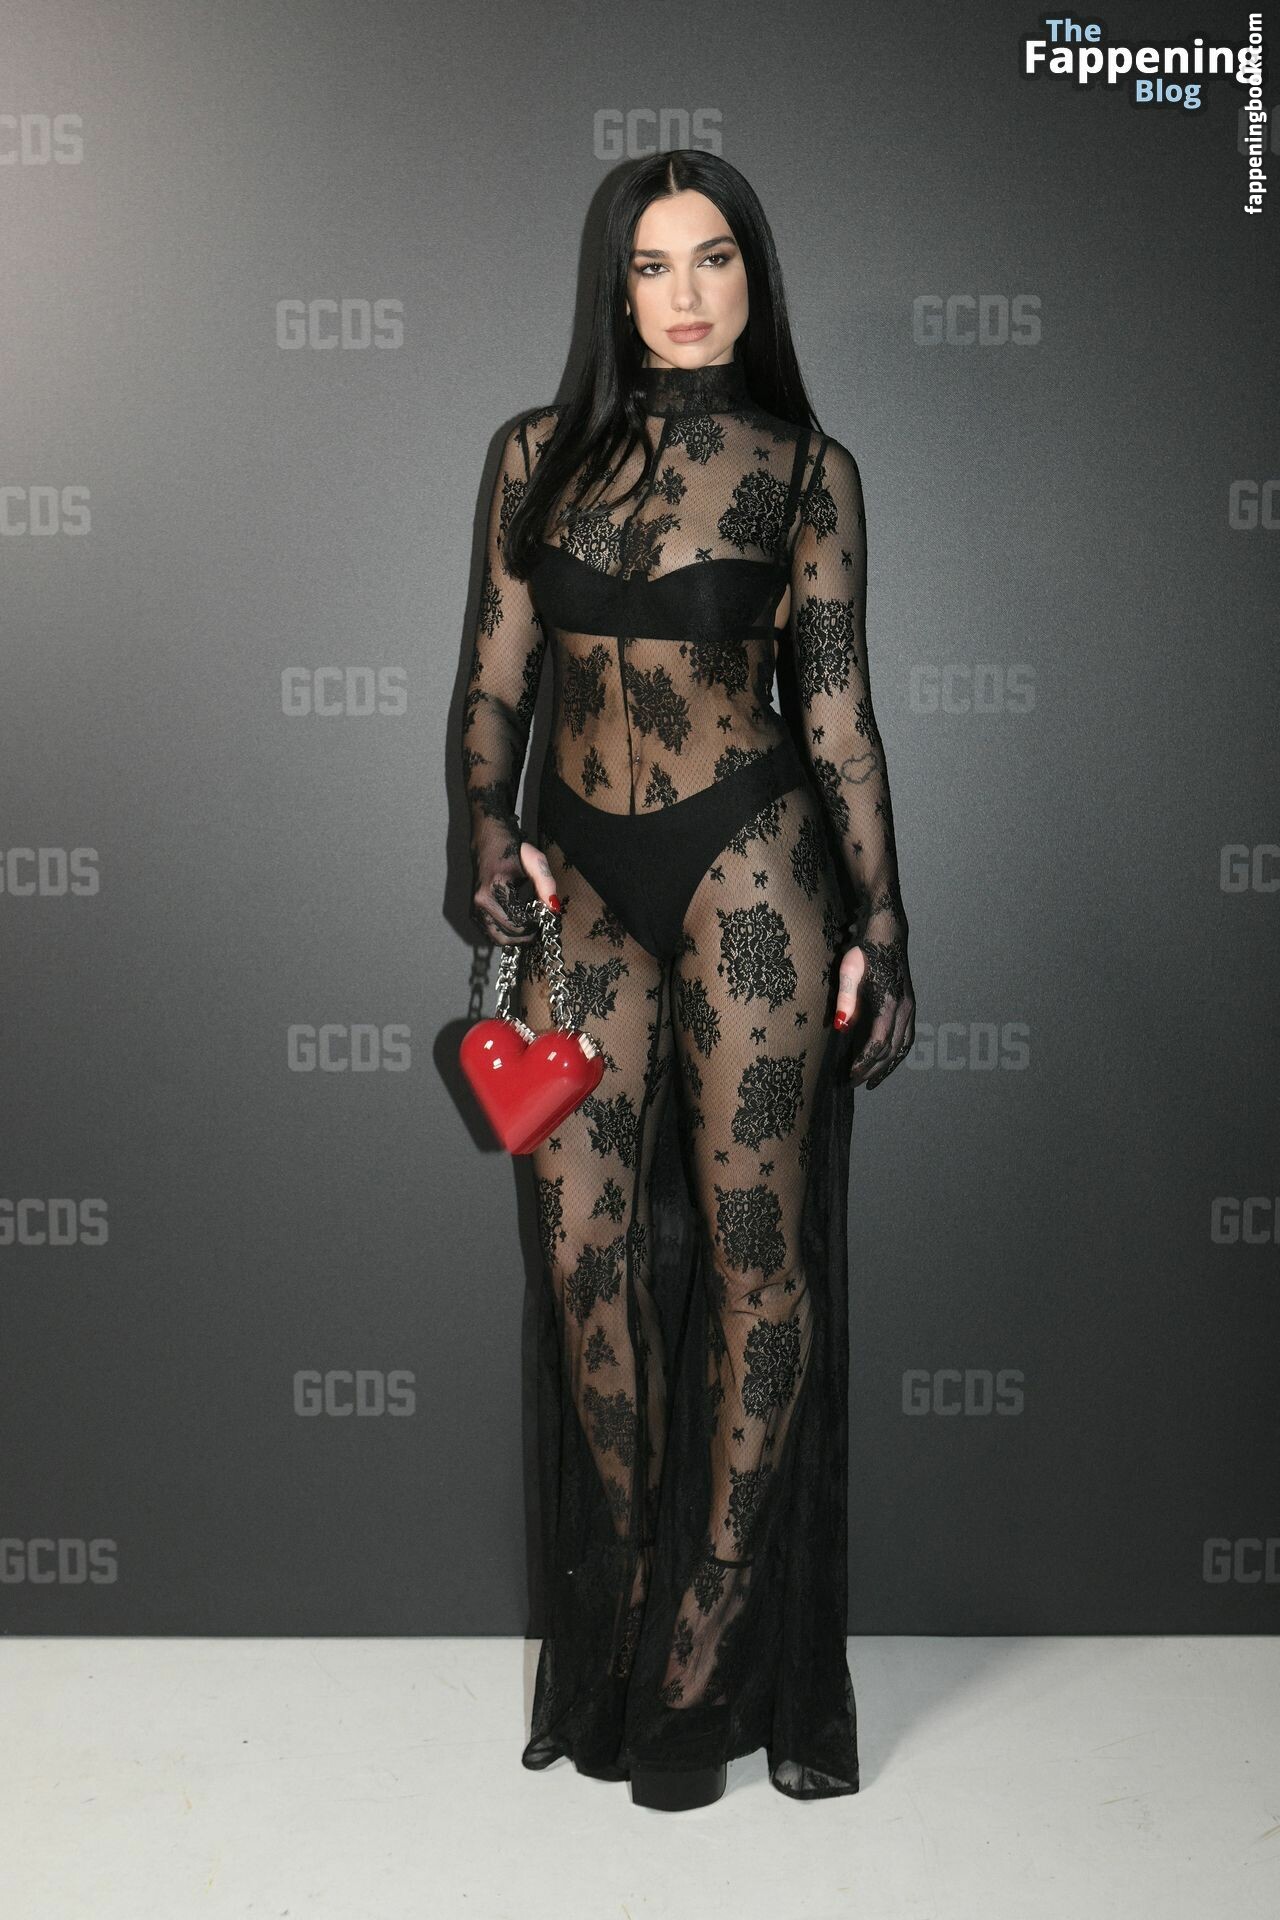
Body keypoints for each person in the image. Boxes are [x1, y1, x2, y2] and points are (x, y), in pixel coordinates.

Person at [460, 150, 915, 1810]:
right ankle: (633, 1591)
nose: (686, 293)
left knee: (750, 1254)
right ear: (617, 288)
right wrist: (484, 830)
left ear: (752, 277)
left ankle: (714, 1629)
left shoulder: (808, 473)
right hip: (578, 873)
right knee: (585, 1251)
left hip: (754, 864)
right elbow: (493, 684)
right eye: (654, 265)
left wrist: (885, 922)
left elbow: (840, 714)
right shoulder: (534, 456)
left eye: (714, 258)